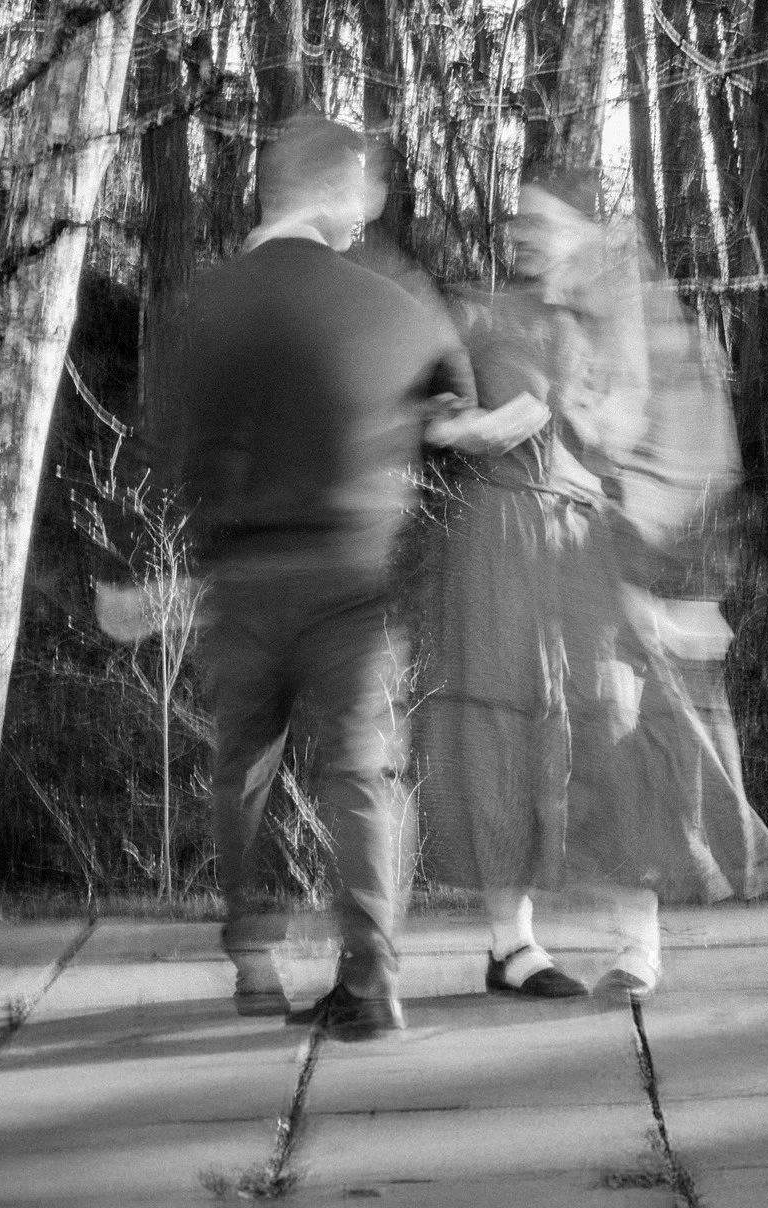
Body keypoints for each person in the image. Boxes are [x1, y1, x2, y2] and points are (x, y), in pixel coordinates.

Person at [418, 165, 768, 1003]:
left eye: (547, 224)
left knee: (623, 736)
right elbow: (425, 410)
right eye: (522, 223)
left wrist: (682, 582)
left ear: (589, 232)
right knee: (501, 736)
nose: (528, 237)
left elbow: (687, 453)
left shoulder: (637, 325)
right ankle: (512, 948)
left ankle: (638, 945)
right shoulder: (483, 312)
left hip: (593, 560)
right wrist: (465, 428)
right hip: (500, 555)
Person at [171, 115, 475, 1038]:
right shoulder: (391, 301)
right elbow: (455, 405)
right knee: (362, 774)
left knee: (244, 772)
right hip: (355, 574)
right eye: (362, 190)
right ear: (332, 190)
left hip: (247, 575)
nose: (370, 208)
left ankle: (254, 963)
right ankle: (373, 978)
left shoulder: (207, 304)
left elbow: (179, 447)